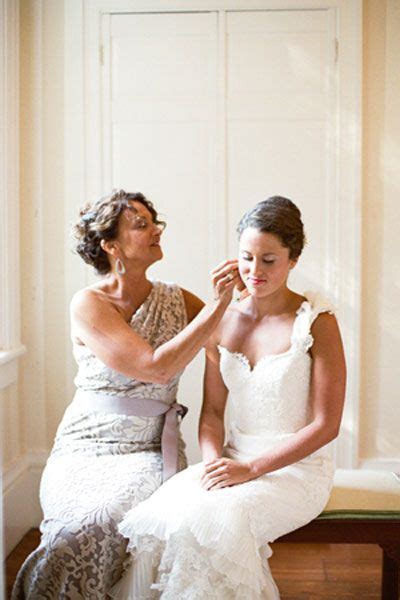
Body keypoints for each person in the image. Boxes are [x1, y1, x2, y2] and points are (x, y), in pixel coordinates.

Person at [111, 196, 347, 599]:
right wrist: (214, 460)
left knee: (221, 520)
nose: (255, 271)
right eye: (247, 257)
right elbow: (213, 414)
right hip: (233, 460)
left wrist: (253, 469)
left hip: (296, 469)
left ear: (293, 259)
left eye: (269, 260)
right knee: (173, 512)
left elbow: (326, 425)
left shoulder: (317, 323)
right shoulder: (223, 323)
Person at [12, 189, 240, 599]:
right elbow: (155, 366)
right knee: (71, 531)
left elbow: (229, 341)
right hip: (85, 446)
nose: (156, 230)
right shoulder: (88, 303)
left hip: (151, 448)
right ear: (110, 245)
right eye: (142, 225)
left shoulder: (177, 299)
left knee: (111, 522)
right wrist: (218, 305)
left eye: (156, 222)